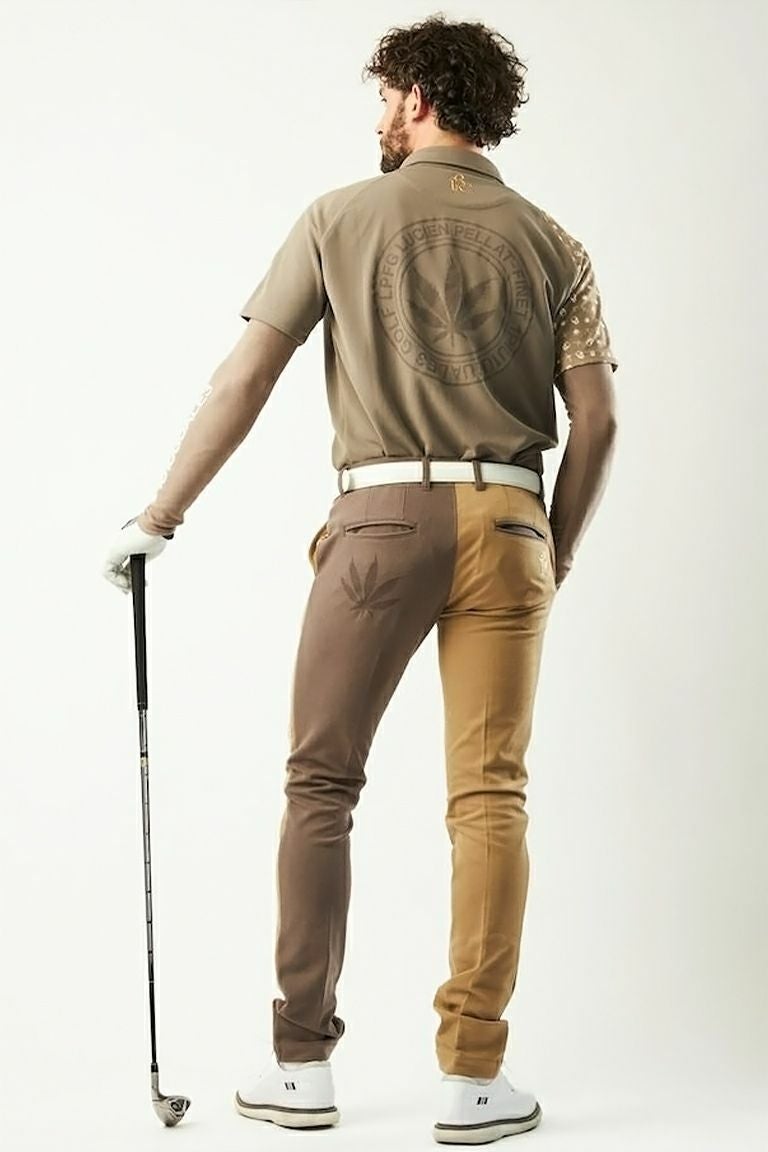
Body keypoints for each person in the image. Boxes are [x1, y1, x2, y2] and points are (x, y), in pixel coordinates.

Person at [103, 13, 618, 1142]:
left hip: (381, 518)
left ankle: (302, 1066)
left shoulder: (338, 216)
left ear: (420, 97)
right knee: (491, 798)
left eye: (386, 95)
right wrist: (553, 550)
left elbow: (244, 380)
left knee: (321, 784)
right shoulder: (555, 243)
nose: (379, 115)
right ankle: (474, 1079)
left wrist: (159, 517)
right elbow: (600, 419)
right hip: (513, 521)